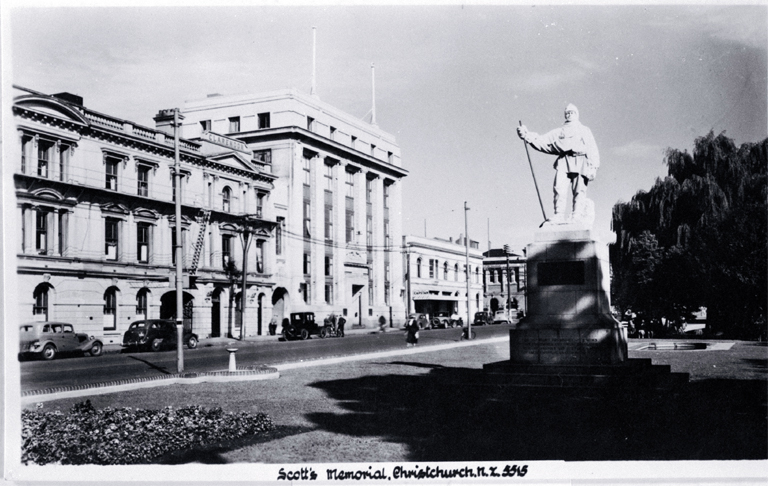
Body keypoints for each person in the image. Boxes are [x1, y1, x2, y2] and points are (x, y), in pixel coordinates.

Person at [517, 103, 600, 225]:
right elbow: (543, 141)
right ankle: (559, 214)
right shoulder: (559, 132)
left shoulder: (584, 130)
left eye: (572, 112)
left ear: (576, 114)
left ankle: (577, 214)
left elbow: (592, 149)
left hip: (580, 160)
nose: (569, 114)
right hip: (564, 161)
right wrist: (526, 135)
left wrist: (593, 166)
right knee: (559, 188)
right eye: (567, 112)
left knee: (579, 190)